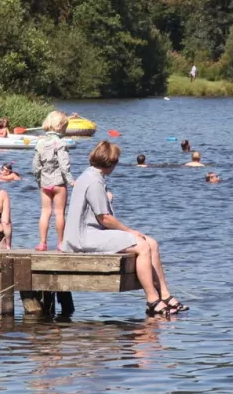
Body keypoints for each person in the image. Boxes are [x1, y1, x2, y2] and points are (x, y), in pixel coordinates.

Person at [63, 141, 181, 314]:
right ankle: (152, 299)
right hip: (83, 237)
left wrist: (107, 199)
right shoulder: (94, 182)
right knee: (141, 245)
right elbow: (105, 218)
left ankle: (165, 294)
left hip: (91, 232)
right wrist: (130, 231)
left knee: (152, 243)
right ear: (111, 163)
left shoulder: (90, 176)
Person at [31, 109, 73, 251]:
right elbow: (64, 164)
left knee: (45, 212)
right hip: (59, 183)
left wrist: (39, 181)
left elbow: (35, 166)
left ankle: (42, 243)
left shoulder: (40, 143)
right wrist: (70, 180)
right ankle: (61, 243)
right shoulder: (61, 143)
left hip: (45, 183)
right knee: (59, 213)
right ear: (61, 126)